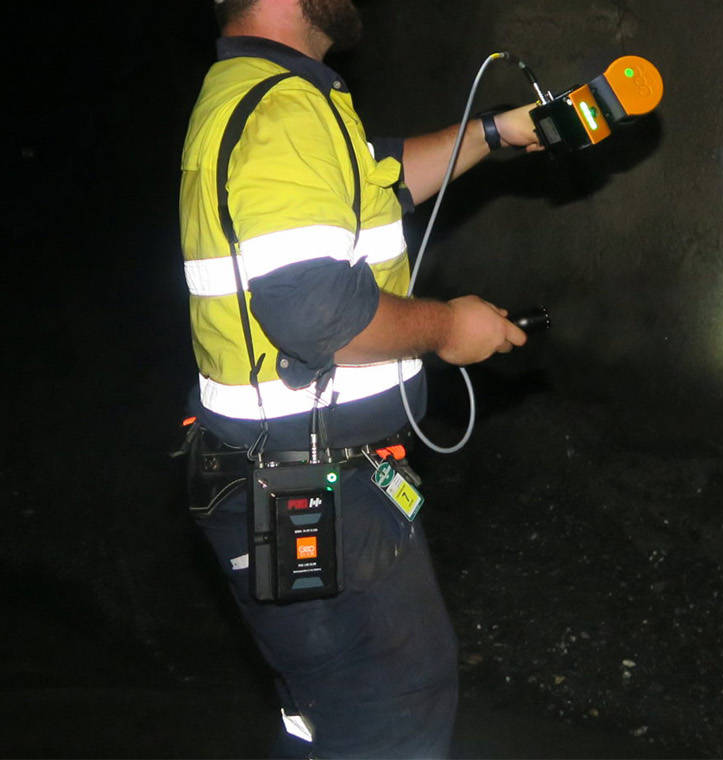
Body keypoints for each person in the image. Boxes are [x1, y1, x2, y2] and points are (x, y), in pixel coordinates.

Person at [178, 0, 542, 755]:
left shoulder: (277, 93)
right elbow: (317, 317)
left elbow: (381, 182)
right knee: (392, 706)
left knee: (326, 711)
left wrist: (496, 131)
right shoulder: (280, 108)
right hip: (305, 483)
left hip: (283, 470)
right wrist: (450, 329)